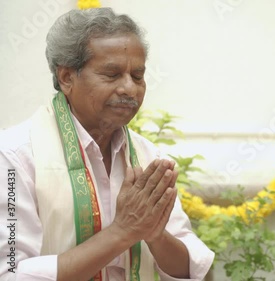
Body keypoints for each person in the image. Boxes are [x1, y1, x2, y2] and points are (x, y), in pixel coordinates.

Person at [0, 7, 214, 281]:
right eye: (112, 75)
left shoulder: (150, 158)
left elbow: (194, 270)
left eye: (137, 76)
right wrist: (122, 232)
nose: (130, 88)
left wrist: (156, 236)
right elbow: (11, 274)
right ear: (66, 78)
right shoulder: (14, 156)